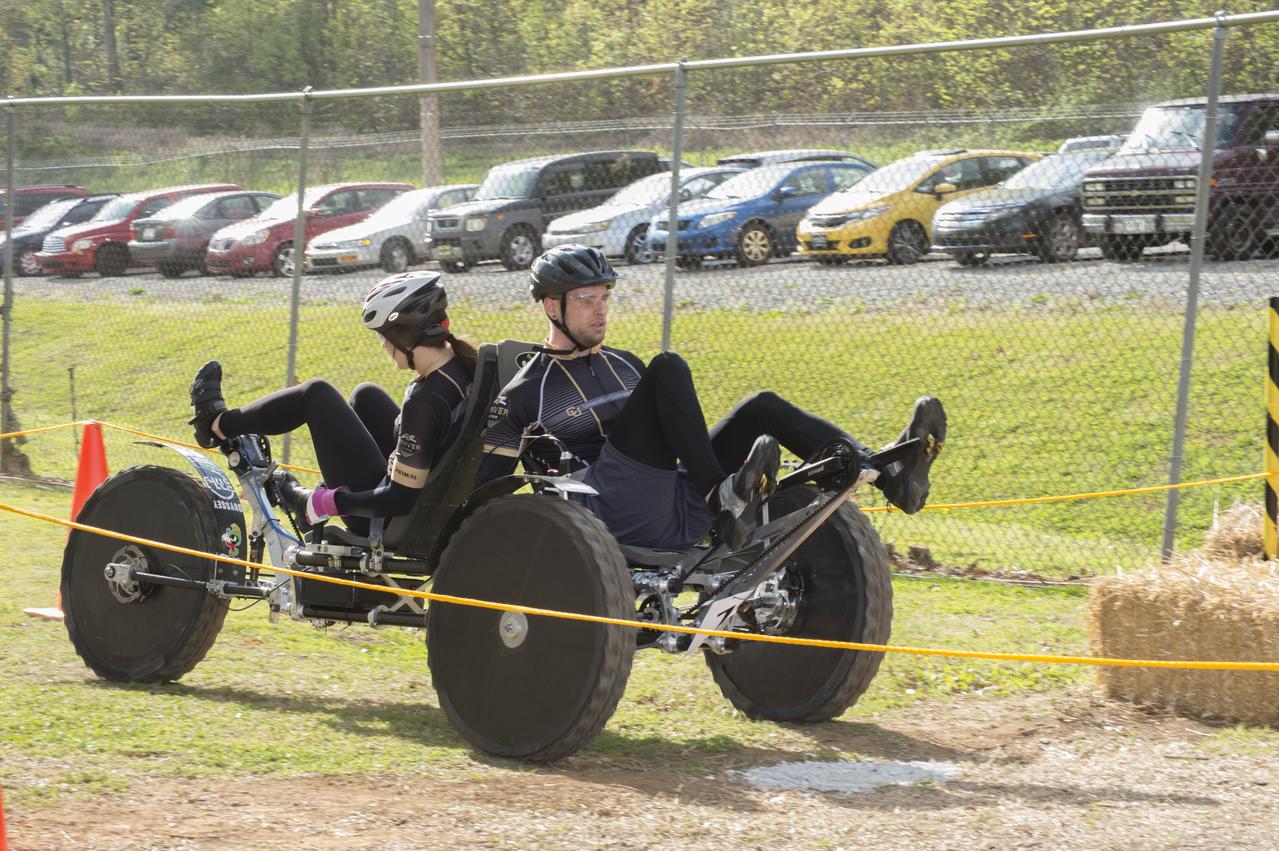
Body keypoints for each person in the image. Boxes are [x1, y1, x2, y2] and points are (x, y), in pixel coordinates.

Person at [477, 244, 946, 551]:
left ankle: (890, 474)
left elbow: (671, 439)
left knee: (761, 406)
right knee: (670, 366)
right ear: (550, 306)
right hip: (609, 510)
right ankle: (722, 497)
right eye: (585, 298)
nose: (599, 309)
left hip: (672, 491)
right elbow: (484, 493)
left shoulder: (624, 364)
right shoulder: (524, 392)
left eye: (605, 296)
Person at [187, 271, 475, 536]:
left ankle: (215, 424)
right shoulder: (459, 369)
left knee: (316, 394)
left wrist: (320, 502)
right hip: (429, 502)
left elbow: (399, 499)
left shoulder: (424, 402)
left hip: (385, 518)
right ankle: (227, 423)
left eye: (383, 337)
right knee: (366, 395)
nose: (383, 346)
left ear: (403, 336)